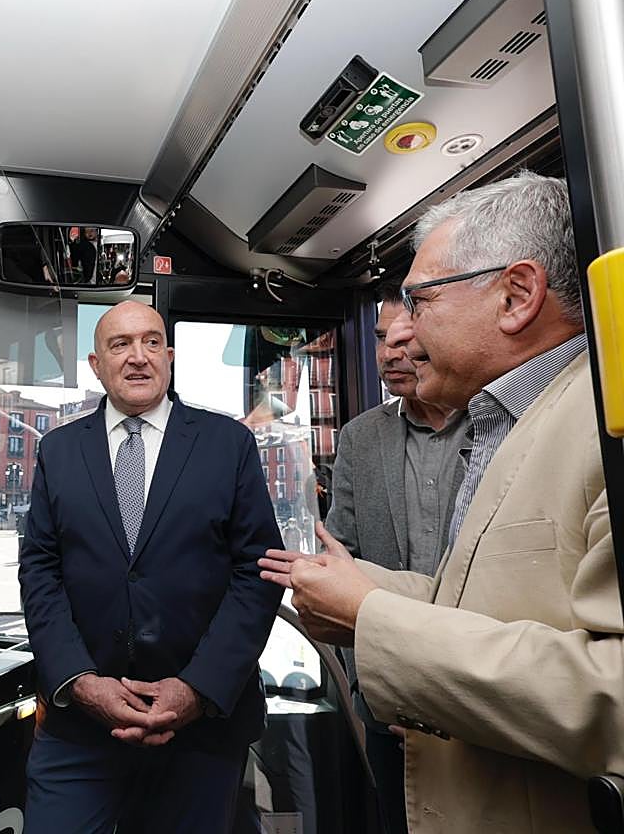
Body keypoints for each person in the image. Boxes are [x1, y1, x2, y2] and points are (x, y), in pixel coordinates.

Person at [259, 171, 622, 833]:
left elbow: (614, 694)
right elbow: (493, 610)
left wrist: (370, 618)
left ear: (515, 296)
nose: (404, 333)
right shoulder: (513, 418)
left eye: (419, 302)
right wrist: (355, 583)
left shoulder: (608, 423)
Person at [19, 301, 283, 833]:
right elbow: (40, 571)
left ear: (170, 355)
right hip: (81, 729)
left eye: (151, 342)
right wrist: (80, 681)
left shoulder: (228, 444)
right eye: (120, 345)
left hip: (201, 729)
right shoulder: (59, 450)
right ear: (96, 364)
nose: (138, 357)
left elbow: (257, 572)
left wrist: (196, 689)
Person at [325, 280, 466, 834]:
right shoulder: (361, 438)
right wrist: (374, 686)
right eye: (382, 338)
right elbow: (345, 560)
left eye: (405, 338)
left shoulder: (499, 422)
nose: (389, 353)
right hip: (388, 708)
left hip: (480, 700)